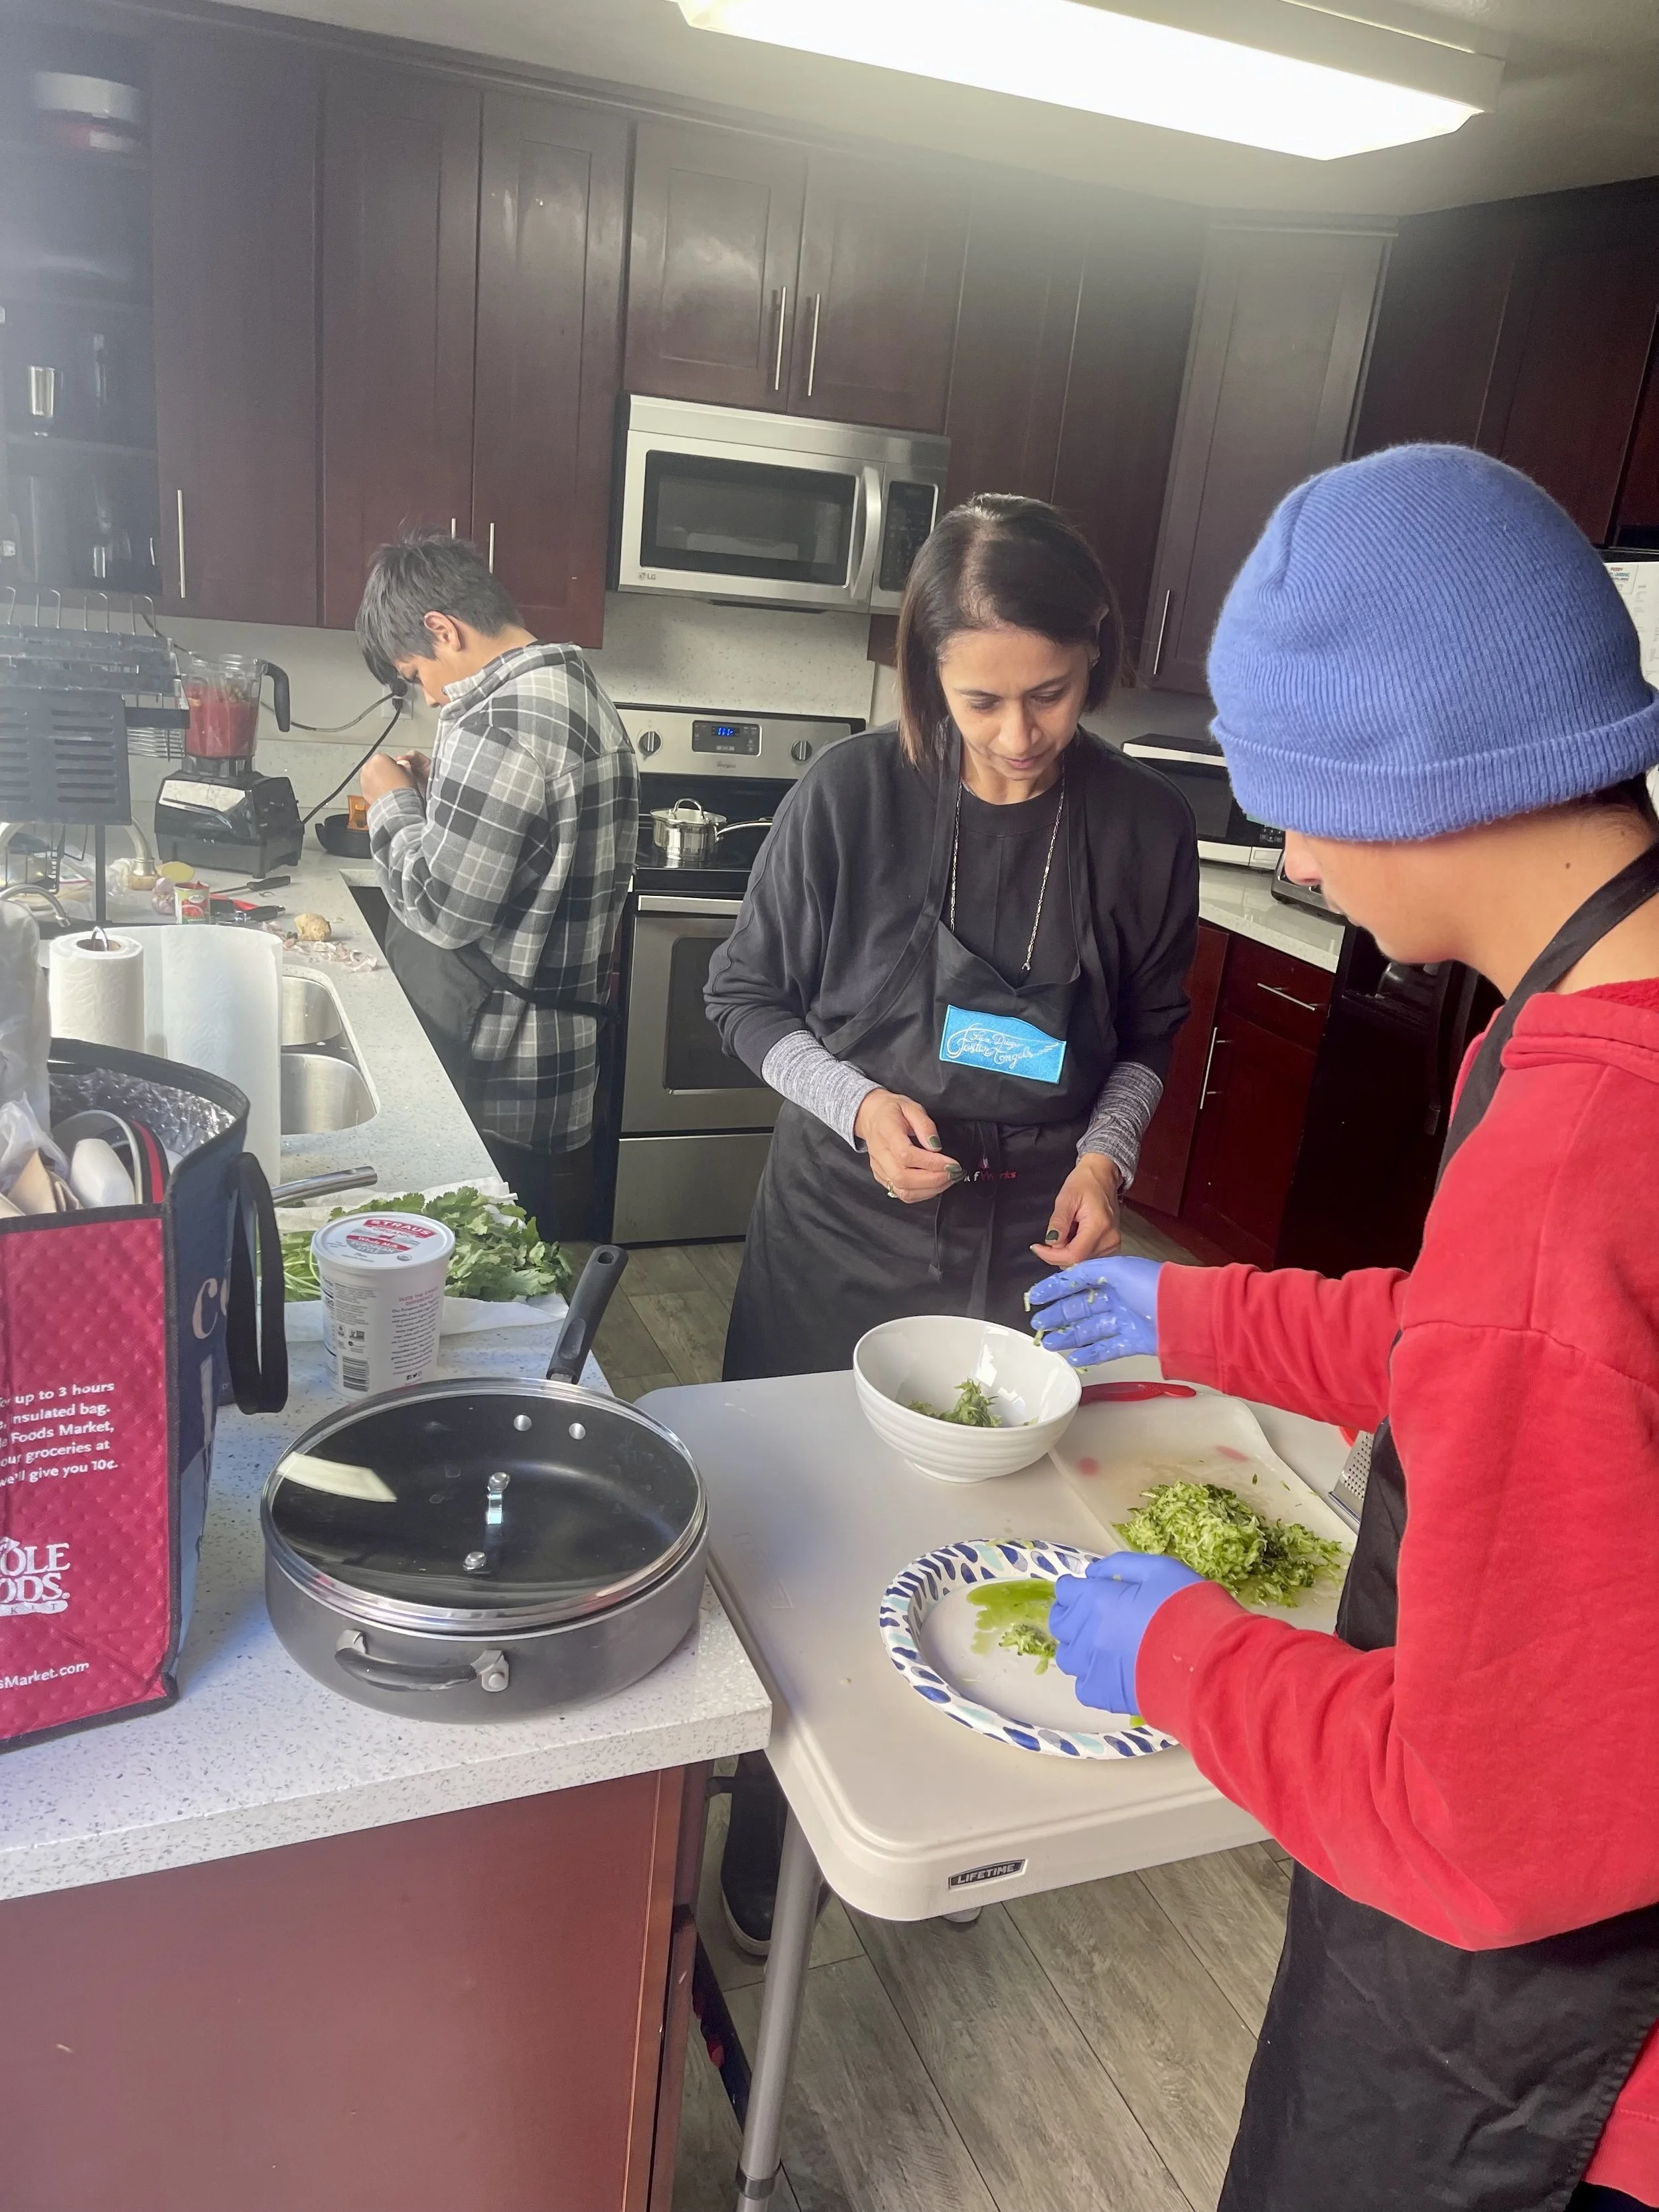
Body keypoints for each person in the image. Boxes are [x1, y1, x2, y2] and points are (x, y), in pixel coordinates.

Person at [1029, 443, 1659, 2212]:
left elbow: (1485, 1831)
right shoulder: (1605, 1004)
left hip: (1562, 2088)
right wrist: (1201, 1310)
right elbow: (1508, 1353)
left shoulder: (1574, 1157)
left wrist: (1178, 1656)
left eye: (1292, 803)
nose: (1293, 860)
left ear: (1420, 773)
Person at [704, 492, 1200, 1951]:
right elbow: (743, 998)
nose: (1012, 732)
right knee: (797, 1544)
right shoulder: (850, 794)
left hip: (1023, 1249)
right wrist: (858, 1107)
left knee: (975, 1543)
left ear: (1092, 664)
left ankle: (953, 1818)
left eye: (1045, 694)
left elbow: (1148, 1039)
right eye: (976, 696)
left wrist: (1105, 1161)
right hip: (841, 1228)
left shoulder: (1139, 824)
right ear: (924, 670)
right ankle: (762, 1823)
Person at [354, 534, 637, 1241]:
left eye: (416, 671)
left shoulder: (496, 720)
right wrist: (440, 793)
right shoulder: (573, 687)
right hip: (549, 1050)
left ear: (442, 630)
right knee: (520, 1247)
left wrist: (389, 796)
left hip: (498, 1055)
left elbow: (443, 910)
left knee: (479, 1264)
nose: (425, 692)